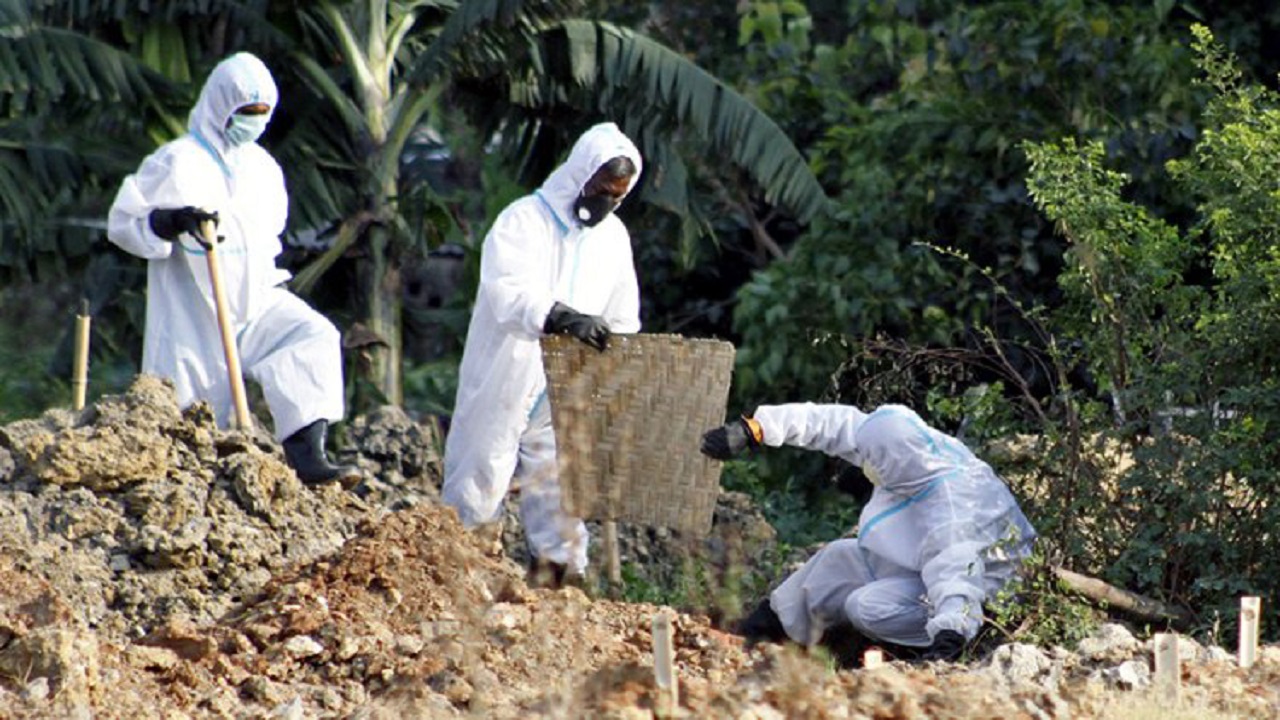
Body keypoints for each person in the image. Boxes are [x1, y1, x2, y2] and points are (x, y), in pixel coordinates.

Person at [107, 52, 358, 486]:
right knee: (192, 417)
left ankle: (306, 451)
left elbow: (271, 233)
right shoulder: (177, 160)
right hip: (195, 311)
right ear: (222, 107)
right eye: (246, 112)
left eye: (262, 114)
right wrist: (167, 222)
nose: (254, 122)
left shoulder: (262, 168)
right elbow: (124, 222)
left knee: (312, 336)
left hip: (256, 295)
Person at [442, 122, 643, 588]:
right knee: (481, 471)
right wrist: (559, 316)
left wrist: (613, 355)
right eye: (600, 190)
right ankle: (457, 571)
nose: (606, 202)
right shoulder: (523, 220)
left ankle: (559, 580)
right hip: (507, 373)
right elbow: (506, 291)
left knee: (559, 482)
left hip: (565, 383)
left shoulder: (613, 239)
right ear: (580, 176)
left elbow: (623, 316)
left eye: (617, 195)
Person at [701, 402, 1036, 662]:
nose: (863, 462)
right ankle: (760, 632)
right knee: (839, 557)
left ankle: (912, 652)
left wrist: (951, 634)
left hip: (986, 592)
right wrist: (755, 429)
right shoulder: (908, 449)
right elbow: (835, 424)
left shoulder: (951, 507)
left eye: (872, 459)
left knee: (866, 605)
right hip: (925, 563)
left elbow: (957, 573)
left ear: (892, 463)